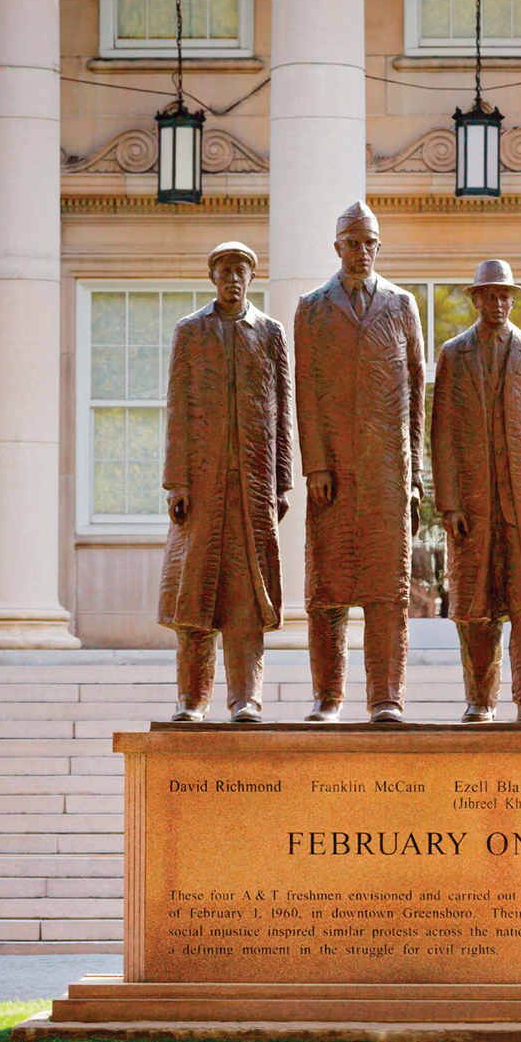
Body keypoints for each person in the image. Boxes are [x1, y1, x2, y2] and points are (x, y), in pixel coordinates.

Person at [294, 202, 426, 723]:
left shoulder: (401, 305)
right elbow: (304, 389)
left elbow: (416, 393)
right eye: (353, 242)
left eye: (371, 242)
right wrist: (316, 465)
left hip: (388, 473)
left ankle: (385, 698)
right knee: (326, 591)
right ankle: (328, 697)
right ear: (337, 246)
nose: (363, 251)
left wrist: (414, 477)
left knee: (387, 592)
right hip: (333, 475)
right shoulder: (312, 307)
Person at [158, 241, 293, 722]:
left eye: (241, 271)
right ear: (213, 277)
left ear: (251, 278)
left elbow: (282, 412)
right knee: (193, 597)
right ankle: (192, 700)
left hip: (252, 490)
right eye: (225, 271)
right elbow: (177, 409)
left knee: (246, 598)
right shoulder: (190, 333)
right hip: (201, 488)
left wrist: (281, 483)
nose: (233, 279)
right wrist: (176, 481)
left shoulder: (270, 333)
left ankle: (245, 699)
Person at [430, 259, 521, 723]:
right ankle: (479, 699)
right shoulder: (454, 353)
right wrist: (447, 502)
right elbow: (442, 432)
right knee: (475, 607)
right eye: (490, 294)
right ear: (475, 299)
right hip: (472, 503)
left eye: (506, 295)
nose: (499, 302)